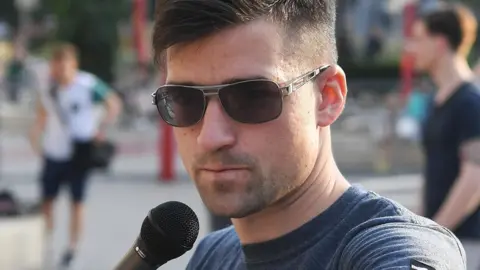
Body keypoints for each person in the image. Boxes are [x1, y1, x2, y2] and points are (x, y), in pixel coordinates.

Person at [152, 0, 465, 269]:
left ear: (328, 97)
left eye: (253, 97)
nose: (211, 136)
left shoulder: (391, 250)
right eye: (183, 99)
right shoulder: (212, 256)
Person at [28, 43, 121, 268]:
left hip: (79, 153)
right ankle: (46, 243)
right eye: (56, 65)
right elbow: (40, 120)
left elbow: (113, 103)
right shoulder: (48, 90)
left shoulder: (87, 84)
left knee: (77, 202)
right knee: (47, 201)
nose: (60, 70)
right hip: (54, 152)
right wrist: (37, 143)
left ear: (73, 65)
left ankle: (72, 247)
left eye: (64, 65)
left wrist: (99, 128)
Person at [406, 4, 480, 270]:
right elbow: (433, 172)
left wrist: (433, 234)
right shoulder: (436, 101)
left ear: (439, 43)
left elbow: (475, 179)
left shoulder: (471, 102)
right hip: (444, 242)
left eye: (417, 39)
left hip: (468, 245)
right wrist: (419, 226)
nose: (410, 48)